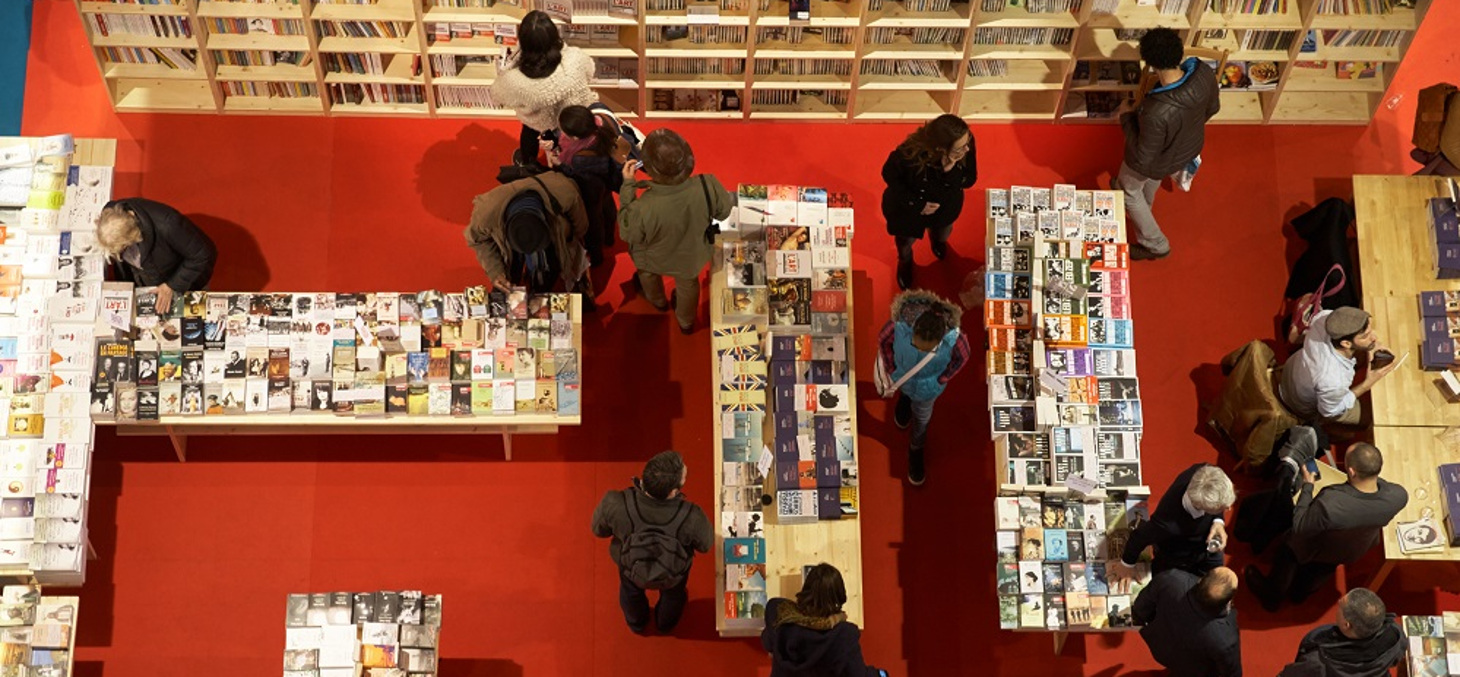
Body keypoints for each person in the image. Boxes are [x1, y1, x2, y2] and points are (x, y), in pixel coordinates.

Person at [1245, 443, 1408, 611]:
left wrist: (1308, 484)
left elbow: (1300, 526)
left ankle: (1272, 596)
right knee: (1321, 570)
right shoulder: (1399, 496)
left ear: (1351, 472)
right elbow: (1380, 486)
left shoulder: (1331, 503)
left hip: (1313, 545)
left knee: (1289, 553)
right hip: (1351, 548)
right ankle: (1299, 595)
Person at [1114, 27, 1220, 260]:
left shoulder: (1156, 111)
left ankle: (1155, 244)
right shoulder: (1202, 72)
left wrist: (1126, 116)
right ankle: (1144, 209)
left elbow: (1143, 159)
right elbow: (1213, 108)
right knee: (1149, 182)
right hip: (1184, 150)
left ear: (1149, 62)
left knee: (1129, 189)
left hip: (1159, 158)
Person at [619, 129, 734, 334]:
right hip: (691, 253)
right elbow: (724, 212)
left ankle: (658, 301)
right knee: (688, 285)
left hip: (652, 256)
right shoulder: (708, 184)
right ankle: (686, 322)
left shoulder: (643, 206)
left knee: (647, 274)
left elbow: (629, 234)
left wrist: (628, 186)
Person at [590, 450, 712, 634]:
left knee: (631, 593)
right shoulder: (692, 516)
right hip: (673, 574)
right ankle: (666, 624)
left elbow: (598, 530)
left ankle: (636, 623)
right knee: (673, 597)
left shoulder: (615, 503)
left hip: (630, 567)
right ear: (673, 492)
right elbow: (706, 545)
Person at [876, 290, 971, 486]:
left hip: (928, 389)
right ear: (914, 327)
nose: (920, 349)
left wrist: (943, 378)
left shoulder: (954, 338)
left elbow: (964, 356)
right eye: (916, 344)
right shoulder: (901, 324)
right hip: (903, 378)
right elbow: (883, 339)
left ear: (940, 339)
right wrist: (892, 366)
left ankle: (916, 449)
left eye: (926, 348)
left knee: (922, 419)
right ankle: (904, 400)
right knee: (905, 392)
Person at [463, 171, 596, 307]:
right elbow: (477, 240)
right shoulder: (485, 214)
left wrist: (568, 247)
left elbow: (580, 227)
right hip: (515, 239)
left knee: (550, 266)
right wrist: (496, 272)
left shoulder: (565, 193)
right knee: (509, 272)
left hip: (552, 232)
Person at [489, 11, 597, 170]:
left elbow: (497, 94)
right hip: (572, 119)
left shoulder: (515, 80)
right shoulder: (575, 58)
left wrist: (508, 66)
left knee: (528, 131)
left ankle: (527, 163)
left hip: (538, 121)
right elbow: (591, 70)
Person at [880, 114, 977, 290]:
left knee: (942, 234)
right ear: (940, 148)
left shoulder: (964, 144)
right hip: (909, 211)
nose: (967, 150)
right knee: (904, 244)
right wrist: (917, 204)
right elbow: (889, 176)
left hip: (944, 208)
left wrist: (950, 170)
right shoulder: (908, 153)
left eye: (967, 142)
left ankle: (937, 242)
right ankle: (905, 263)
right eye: (959, 148)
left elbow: (969, 180)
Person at [1112, 463, 1235, 580]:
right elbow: (1139, 537)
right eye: (1220, 509)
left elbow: (1218, 498)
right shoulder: (1167, 522)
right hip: (1177, 555)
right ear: (1199, 505)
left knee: (1217, 580)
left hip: (1209, 549)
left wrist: (1218, 522)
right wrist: (1126, 565)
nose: (1229, 509)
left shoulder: (1207, 473)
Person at [761, 564, 886, 677]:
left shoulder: (780, 616)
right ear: (838, 597)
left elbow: (767, 641)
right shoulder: (843, 635)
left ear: (806, 589)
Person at [96, 198, 218, 314]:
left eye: (123, 248)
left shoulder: (168, 224)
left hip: (184, 279)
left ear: (133, 236)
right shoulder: (109, 216)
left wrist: (172, 285)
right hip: (148, 279)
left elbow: (202, 254)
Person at [1279, 307, 1397, 425]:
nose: (1374, 337)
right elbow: (1329, 411)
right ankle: (1334, 432)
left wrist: (1373, 345)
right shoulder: (1332, 379)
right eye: (1365, 336)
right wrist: (1366, 384)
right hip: (1298, 402)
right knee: (1370, 417)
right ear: (1345, 343)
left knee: (1360, 354)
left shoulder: (1324, 318)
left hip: (1292, 370)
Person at [553, 104, 637, 266]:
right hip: (607, 182)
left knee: (593, 221)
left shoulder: (582, 157)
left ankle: (596, 255)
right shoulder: (601, 123)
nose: (561, 132)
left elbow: (574, 174)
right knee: (607, 205)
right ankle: (610, 238)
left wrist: (559, 163)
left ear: (576, 138)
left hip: (590, 189)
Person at [1131, 566, 1242, 677]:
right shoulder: (1226, 638)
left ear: (1201, 580)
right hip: (1193, 671)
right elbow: (1232, 673)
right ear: (1228, 601)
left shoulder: (1171, 579)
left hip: (1160, 649)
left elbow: (1141, 607)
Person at [1276, 588, 1405, 677]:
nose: (1338, 603)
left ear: (1346, 625)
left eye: (1340, 606)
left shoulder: (1320, 661)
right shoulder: (1396, 633)